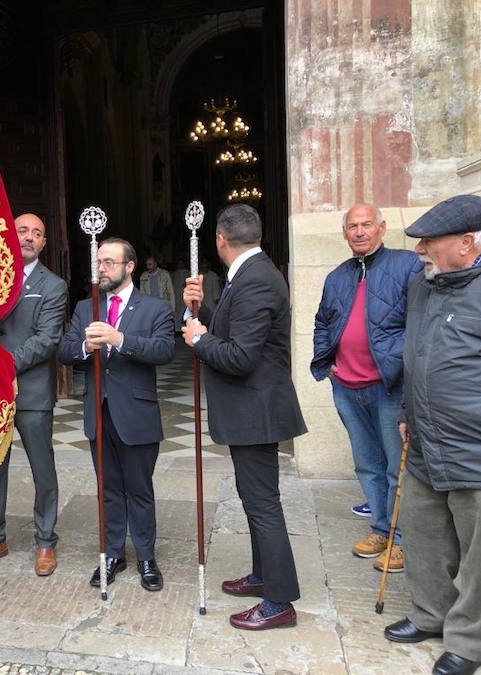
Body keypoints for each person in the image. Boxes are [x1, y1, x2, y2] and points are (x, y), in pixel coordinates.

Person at [383, 195, 481, 675]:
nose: (419, 249)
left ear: (466, 242)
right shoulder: (424, 287)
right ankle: (431, 614)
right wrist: (407, 410)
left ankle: (469, 642)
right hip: (425, 438)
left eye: (428, 241)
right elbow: (417, 358)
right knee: (425, 535)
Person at [183, 204, 306, 630]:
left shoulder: (256, 280)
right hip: (251, 410)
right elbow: (234, 328)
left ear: (220, 239)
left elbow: (239, 355)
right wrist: (201, 309)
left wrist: (199, 341)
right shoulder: (252, 274)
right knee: (255, 501)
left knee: (263, 504)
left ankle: (278, 602)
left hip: (257, 410)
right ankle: (262, 576)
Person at [58, 238, 174, 592]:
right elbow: (64, 350)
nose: (102, 268)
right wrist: (83, 347)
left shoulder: (154, 308)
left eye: (109, 262)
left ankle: (145, 557)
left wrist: (119, 338)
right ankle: (111, 554)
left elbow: (165, 350)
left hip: (137, 414)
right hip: (99, 412)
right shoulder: (84, 307)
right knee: (107, 489)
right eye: (99, 262)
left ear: (129, 267)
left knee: (139, 489)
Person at [311, 204, 422, 572]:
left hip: (388, 386)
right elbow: (322, 322)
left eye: (366, 225)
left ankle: (401, 539)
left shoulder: (406, 266)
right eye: (352, 226)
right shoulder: (337, 276)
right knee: (367, 465)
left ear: (382, 228)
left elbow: (420, 321)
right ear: (345, 232)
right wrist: (326, 362)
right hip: (347, 386)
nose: (359, 232)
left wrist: (400, 362)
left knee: (396, 467)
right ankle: (379, 529)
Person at [0, 213, 68, 576]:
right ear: (10, 233)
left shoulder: (53, 285)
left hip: (31, 392)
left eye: (36, 233)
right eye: (22, 230)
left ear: (43, 244)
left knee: (43, 470)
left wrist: (1, 364)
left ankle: (45, 542)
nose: (27, 237)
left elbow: (47, 339)